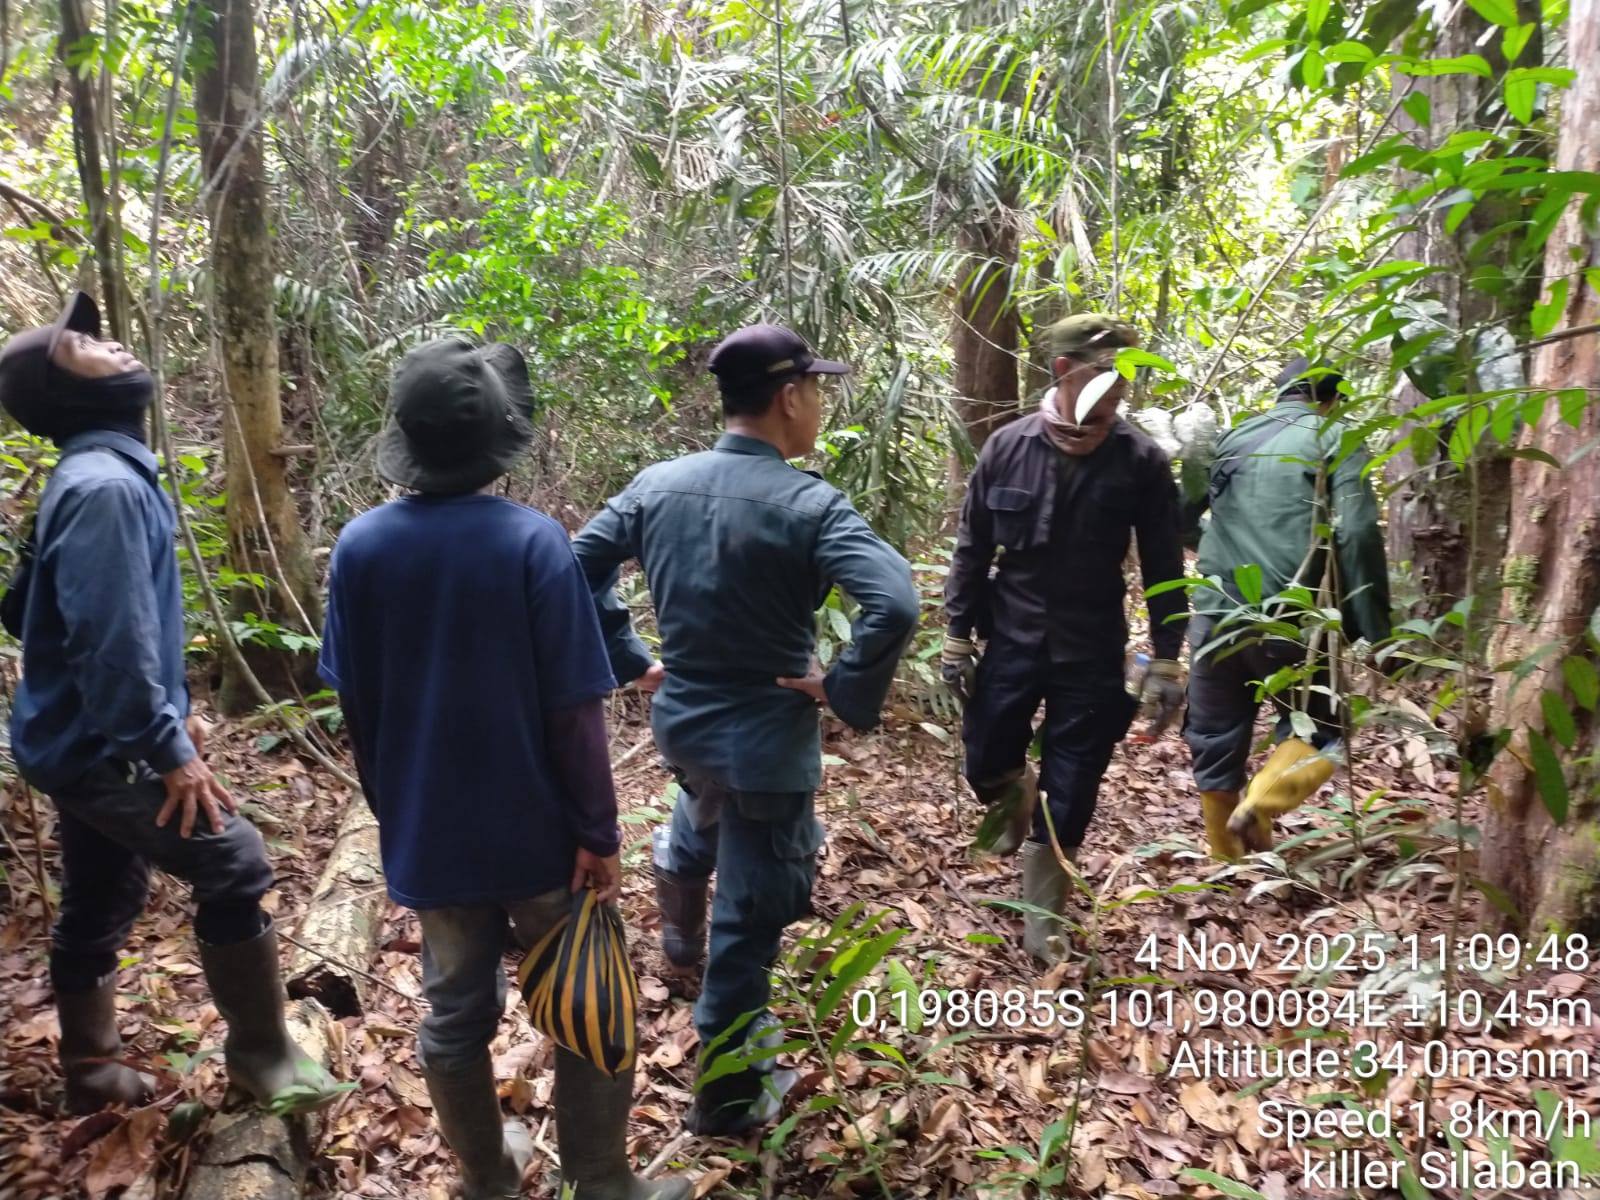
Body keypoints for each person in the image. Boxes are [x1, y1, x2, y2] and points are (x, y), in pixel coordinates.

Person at [318, 339, 689, 1200]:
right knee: (592, 997)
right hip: (542, 839)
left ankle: (487, 1177)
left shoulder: (360, 548)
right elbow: (572, 709)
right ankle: (601, 1182)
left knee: (452, 1009)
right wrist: (599, 831)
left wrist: (394, 812)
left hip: (433, 836)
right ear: (495, 441)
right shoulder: (531, 543)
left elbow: (357, 710)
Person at [571, 324, 918, 1137]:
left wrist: (629, 654)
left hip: (684, 724)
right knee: (752, 919)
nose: (821, 404)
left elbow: (572, 565)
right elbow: (895, 601)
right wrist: (843, 688)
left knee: (701, 805)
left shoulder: (659, 483)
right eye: (818, 390)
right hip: (766, 745)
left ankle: (678, 934)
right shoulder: (809, 503)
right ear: (790, 397)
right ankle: (725, 1101)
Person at [0, 292, 339, 1117]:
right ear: (61, 392)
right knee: (235, 859)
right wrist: (166, 746)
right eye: (80, 343)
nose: (109, 343)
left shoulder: (97, 476)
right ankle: (263, 1058)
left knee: (103, 891)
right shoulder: (105, 488)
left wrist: (170, 704)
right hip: (96, 745)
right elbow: (105, 645)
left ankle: (89, 1069)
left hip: (77, 735)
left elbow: (35, 612)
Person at [942, 314, 1188, 965]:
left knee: (1073, 789)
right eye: (1104, 376)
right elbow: (972, 547)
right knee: (986, 761)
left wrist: (1166, 657)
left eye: (1124, 379)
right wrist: (957, 636)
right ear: (1062, 371)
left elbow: (1165, 567)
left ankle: (1042, 927)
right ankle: (1012, 797)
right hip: (1012, 640)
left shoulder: (1140, 461)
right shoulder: (1007, 447)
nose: (1117, 392)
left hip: (1092, 650)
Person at [1182, 358, 1390, 860]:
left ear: (1280, 395)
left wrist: (1218, 552)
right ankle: (1263, 801)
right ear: (1332, 398)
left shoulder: (1232, 439)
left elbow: (1180, 514)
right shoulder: (1335, 435)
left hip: (1214, 611)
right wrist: (1375, 631)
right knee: (1324, 736)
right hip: (1290, 614)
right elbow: (1357, 531)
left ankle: (1226, 866)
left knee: (1214, 740)